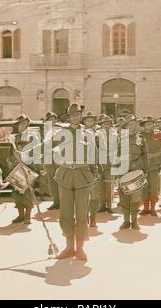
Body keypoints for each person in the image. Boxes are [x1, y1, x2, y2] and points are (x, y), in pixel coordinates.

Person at [53, 104, 98, 260]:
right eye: (72, 115)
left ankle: (80, 248)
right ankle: (69, 247)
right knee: (65, 213)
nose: (75, 117)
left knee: (81, 213)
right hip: (65, 175)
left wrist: (94, 174)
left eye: (77, 114)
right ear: (68, 117)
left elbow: (93, 156)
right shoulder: (60, 134)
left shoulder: (88, 134)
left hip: (82, 175)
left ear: (81, 116)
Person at [117, 114, 147, 230]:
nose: (133, 127)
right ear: (126, 126)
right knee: (124, 196)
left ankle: (134, 222)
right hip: (123, 170)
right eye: (130, 124)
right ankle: (125, 221)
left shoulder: (140, 138)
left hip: (136, 170)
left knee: (136, 196)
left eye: (134, 124)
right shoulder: (121, 138)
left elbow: (145, 155)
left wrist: (145, 170)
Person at [7, 114, 38, 225]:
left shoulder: (33, 137)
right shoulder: (14, 138)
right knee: (17, 193)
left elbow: (36, 153)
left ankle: (28, 216)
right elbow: (10, 154)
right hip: (17, 168)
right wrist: (12, 161)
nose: (22, 126)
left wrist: (23, 154)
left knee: (27, 193)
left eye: (24, 123)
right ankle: (20, 215)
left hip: (29, 168)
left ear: (27, 124)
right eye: (20, 123)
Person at [82, 111, 101, 227]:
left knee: (94, 195)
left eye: (91, 120)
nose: (89, 122)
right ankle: (84, 217)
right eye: (87, 120)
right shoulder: (80, 134)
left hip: (96, 166)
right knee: (83, 195)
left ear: (94, 122)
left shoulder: (99, 135)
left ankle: (93, 218)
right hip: (83, 167)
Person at [140, 116, 161, 216]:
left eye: (151, 123)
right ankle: (145, 208)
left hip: (154, 165)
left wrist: (155, 155)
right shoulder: (140, 135)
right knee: (144, 187)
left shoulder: (159, 134)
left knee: (153, 187)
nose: (149, 126)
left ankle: (153, 208)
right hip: (143, 165)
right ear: (144, 125)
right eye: (147, 124)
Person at [97, 115, 117, 213]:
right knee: (101, 186)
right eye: (104, 124)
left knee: (109, 185)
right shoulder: (98, 133)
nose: (106, 125)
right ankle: (101, 205)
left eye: (108, 123)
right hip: (100, 162)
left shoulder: (115, 134)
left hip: (110, 162)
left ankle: (109, 206)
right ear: (101, 125)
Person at [44, 111, 60, 210]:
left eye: (54, 119)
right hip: (48, 157)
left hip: (57, 157)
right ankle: (55, 201)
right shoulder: (46, 131)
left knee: (59, 179)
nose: (52, 121)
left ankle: (61, 201)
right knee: (51, 181)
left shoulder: (59, 129)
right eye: (50, 119)